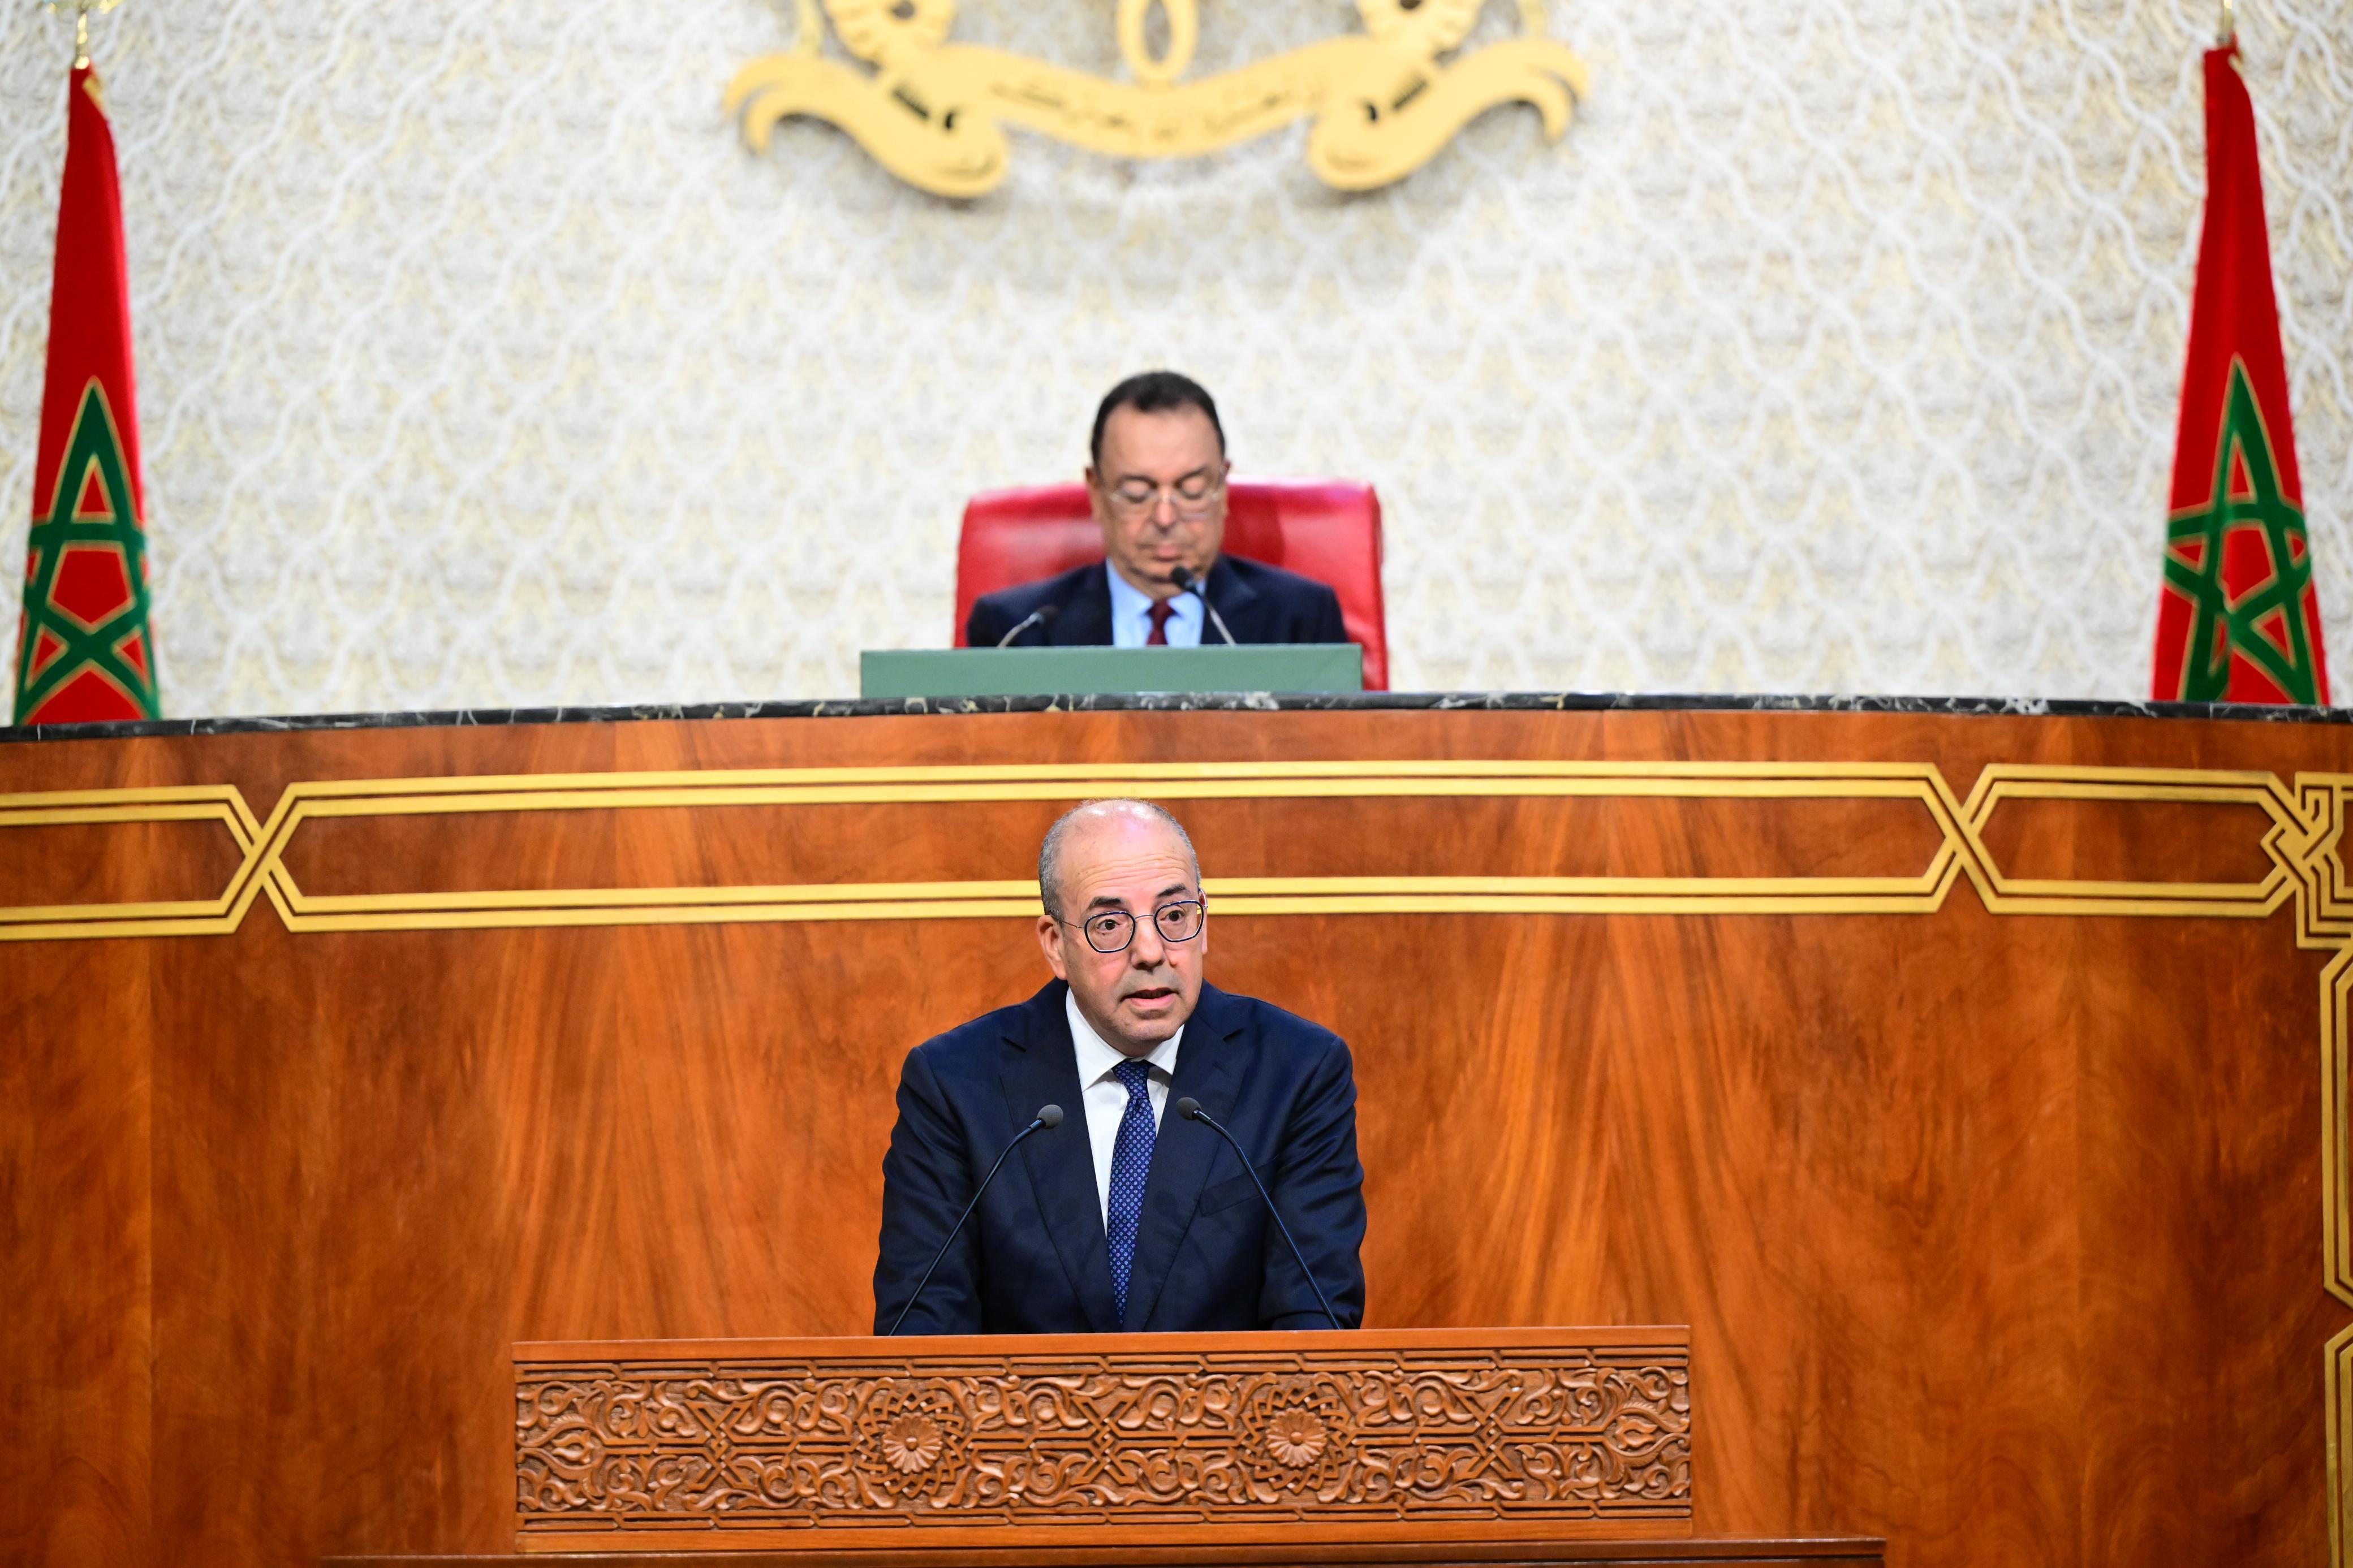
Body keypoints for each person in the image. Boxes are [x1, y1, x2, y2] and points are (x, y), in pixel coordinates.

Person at [873, 798, 1367, 1334]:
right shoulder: (955, 1085)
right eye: (1110, 924)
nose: (1151, 951)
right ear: (1056, 945)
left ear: (1203, 923)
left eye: (1174, 916)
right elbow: (921, 1335)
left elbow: (1315, 1325)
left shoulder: (1296, 1072)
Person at [964, 372, 1351, 649]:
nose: (1165, 519)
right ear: (1096, 492)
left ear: (1223, 488)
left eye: (1192, 490)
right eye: (1137, 494)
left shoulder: (1300, 620)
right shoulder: (1016, 631)